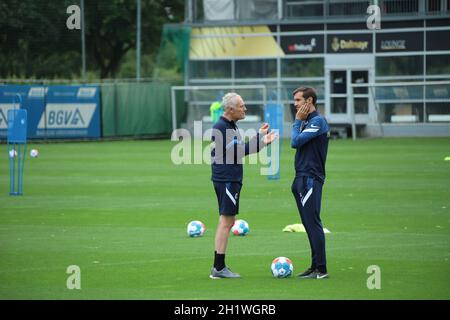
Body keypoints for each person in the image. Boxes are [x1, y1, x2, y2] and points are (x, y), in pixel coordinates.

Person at [210, 92, 277, 279]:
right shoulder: (222, 127)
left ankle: (219, 266)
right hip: (227, 180)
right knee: (226, 222)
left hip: (229, 179)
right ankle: (218, 268)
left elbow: (239, 150)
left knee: (227, 221)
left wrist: (260, 138)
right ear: (230, 109)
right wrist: (262, 140)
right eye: (241, 106)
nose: (245, 109)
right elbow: (239, 152)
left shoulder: (230, 125)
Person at [290, 87, 330, 279]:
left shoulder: (318, 122)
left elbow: (296, 142)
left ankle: (321, 269)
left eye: (298, 100)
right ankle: (314, 266)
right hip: (301, 177)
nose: (295, 104)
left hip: (311, 178)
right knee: (308, 223)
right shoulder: (307, 122)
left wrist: (297, 121)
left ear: (310, 100)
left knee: (313, 223)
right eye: (294, 100)